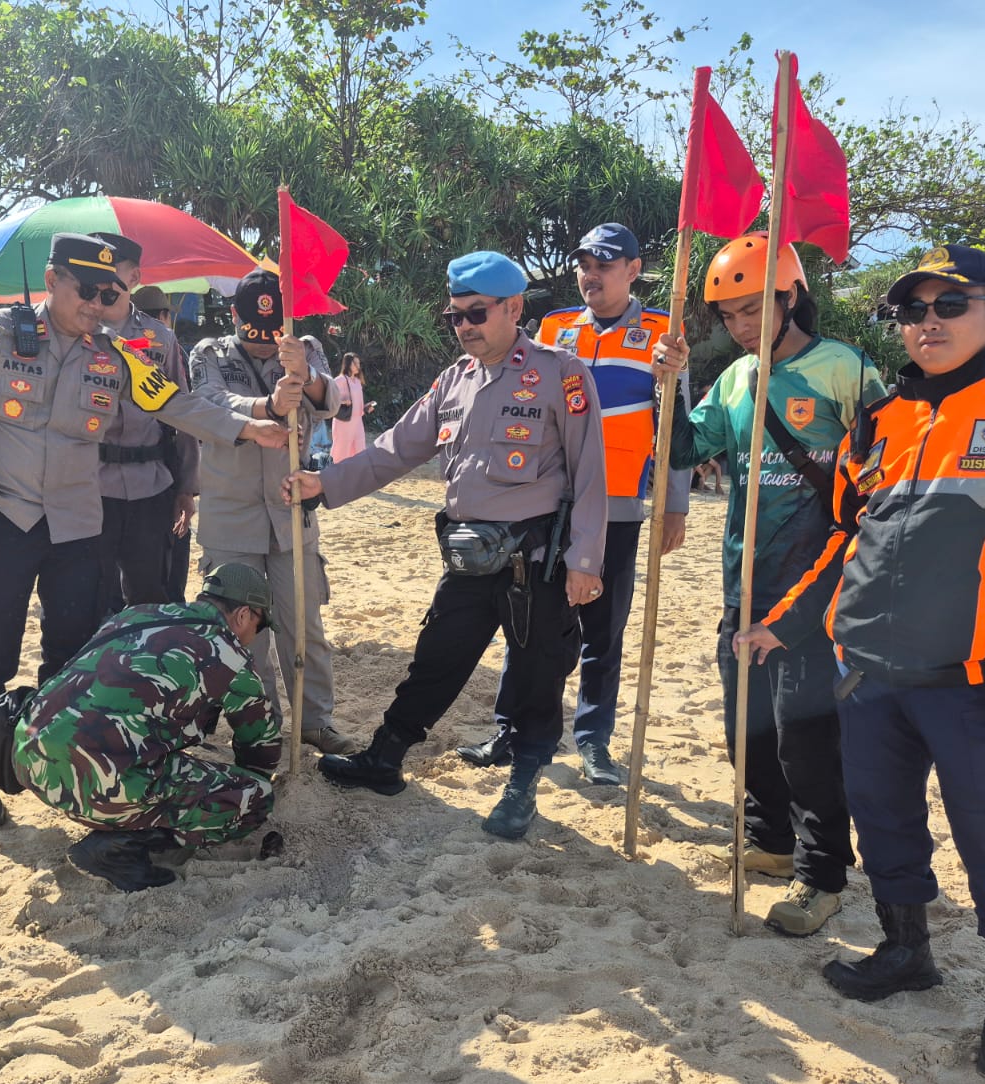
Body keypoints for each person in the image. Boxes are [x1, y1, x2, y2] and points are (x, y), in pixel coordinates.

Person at [738, 244, 985, 1084]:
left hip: (977, 682)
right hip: (867, 670)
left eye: (951, 304)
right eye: (913, 310)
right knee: (882, 819)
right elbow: (845, 538)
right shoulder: (882, 419)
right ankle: (907, 950)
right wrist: (786, 624)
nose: (929, 323)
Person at [0, 233, 283, 834]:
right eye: (88, 292)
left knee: (71, 644)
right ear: (52, 280)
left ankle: (49, 756)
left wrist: (248, 429)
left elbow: (172, 404)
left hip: (77, 521)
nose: (97, 305)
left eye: (109, 294)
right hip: (7, 515)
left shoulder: (114, 353)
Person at [288, 251, 608, 840]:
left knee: (538, 675)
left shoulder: (561, 373)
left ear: (513, 308)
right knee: (435, 660)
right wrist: (324, 484)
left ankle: (523, 786)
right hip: (467, 556)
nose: (464, 325)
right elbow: (394, 450)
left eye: (476, 313)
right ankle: (385, 758)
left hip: (534, 562)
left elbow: (591, 472)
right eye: (455, 315)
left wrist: (585, 562)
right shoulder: (453, 380)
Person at [655, 234, 883, 936]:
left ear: (792, 299)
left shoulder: (843, 369)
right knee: (744, 727)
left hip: (814, 593)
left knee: (805, 738)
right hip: (742, 583)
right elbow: (688, 451)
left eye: (753, 309)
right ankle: (773, 842)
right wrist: (670, 385)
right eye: (727, 315)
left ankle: (821, 876)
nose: (740, 326)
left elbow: (884, 469)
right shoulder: (733, 381)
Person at [457, 223, 691, 786]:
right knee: (529, 624)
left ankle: (592, 742)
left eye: (605, 265)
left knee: (602, 632)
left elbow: (676, 428)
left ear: (633, 271)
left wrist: (675, 504)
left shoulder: (663, 333)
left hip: (619, 504)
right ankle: (512, 731)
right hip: (549, 503)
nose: (591, 274)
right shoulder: (555, 328)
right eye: (585, 263)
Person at [10, 562, 283, 892]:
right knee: (254, 798)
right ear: (243, 615)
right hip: (94, 783)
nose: (256, 633)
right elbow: (261, 751)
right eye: (259, 623)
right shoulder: (228, 655)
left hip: (28, 759)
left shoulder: (137, 614)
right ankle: (120, 846)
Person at [189, 268, 360, 755]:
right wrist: (265, 404)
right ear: (235, 318)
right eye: (254, 334)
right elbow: (207, 403)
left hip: (291, 516)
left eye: (272, 336)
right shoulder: (209, 352)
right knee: (244, 635)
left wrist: (304, 376)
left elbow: (335, 406)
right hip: (231, 518)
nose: (264, 346)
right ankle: (258, 727)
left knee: (303, 626)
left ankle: (315, 722)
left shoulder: (304, 346)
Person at [84, 237, 223, 618]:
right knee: (91, 595)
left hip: (151, 486)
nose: (107, 282)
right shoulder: (74, 332)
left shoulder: (159, 338)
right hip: (89, 485)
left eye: (116, 272)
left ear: (134, 275)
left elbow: (182, 414)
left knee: (151, 596)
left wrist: (186, 488)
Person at [131, 284, 199, 602]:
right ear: (161, 317)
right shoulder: (172, 348)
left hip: (118, 473)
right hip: (164, 462)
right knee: (172, 555)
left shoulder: (108, 345)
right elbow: (185, 412)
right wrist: (188, 485)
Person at [329, 353, 374, 463]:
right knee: (342, 453)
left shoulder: (358, 382)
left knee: (360, 450)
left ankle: (356, 476)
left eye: (359, 363)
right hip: (344, 423)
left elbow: (357, 405)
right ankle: (338, 475)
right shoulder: (340, 380)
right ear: (348, 364)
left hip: (357, 422)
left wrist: (366, 407)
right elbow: (328, 398)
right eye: (356, 363)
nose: (358, 366)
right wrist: (343, 401)